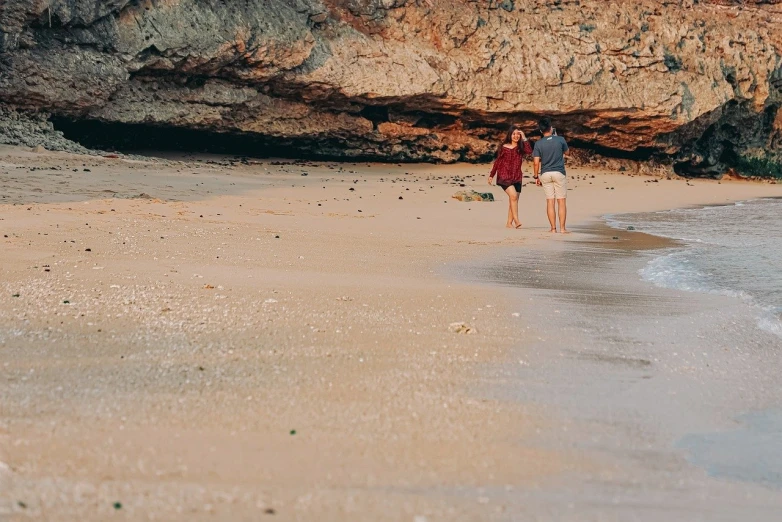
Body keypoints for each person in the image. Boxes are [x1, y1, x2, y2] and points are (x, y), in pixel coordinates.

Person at [487, 125, 533, 228]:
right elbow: (498, 161)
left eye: (518, 134)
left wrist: (524, 138)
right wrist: (492, 175)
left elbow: (529, 151)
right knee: (513, 196)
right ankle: (516, 220)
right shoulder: (503, 147)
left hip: (517, 177)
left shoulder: (521, 148)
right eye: (514, 134)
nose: (516, 136)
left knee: (514, 199)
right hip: (504, 176)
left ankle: (509, 223)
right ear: (510, 135)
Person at [532, 117, 569, 233]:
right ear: (551, 128)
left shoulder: (538, 144)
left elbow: (536, 162)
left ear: (540, 131)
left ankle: (553, 228)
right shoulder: (560, 139)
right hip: (558, 172)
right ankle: (562, 229)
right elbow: (567, 152)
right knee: (561, 201)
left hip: (545, 173)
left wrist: (536, 176)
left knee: (550, 201)